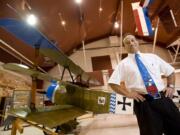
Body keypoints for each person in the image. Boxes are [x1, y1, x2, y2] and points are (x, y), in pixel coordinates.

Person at [108, 33, 180, 135]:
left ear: (137, 42)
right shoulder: (123, 64)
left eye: (133, 40)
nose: (131, 43)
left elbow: (170, 71)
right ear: (125, 47)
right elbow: (112, 83)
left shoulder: (153, 57)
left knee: (177, 126)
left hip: (163, 98)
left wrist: (171, 86)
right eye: (127, 43)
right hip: (144, 103)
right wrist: (128, 94)